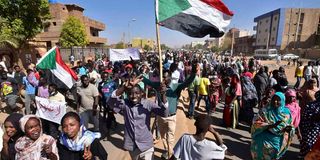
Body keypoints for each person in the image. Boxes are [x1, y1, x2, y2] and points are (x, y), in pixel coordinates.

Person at [108, 76, 168, 160]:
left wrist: (163, 95)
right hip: (132, 146)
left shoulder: (147, 104)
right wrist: (124, 87)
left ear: (142, 94)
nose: (133, 96)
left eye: (136, 93)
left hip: (146, 145)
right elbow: (110, 102)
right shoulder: (125, 104)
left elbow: (164, 113)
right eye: (131, 94)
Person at [251, 92, 294, 160]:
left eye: (278, 100)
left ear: (283, 101)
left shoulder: (287, 113)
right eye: (274, 99)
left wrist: (289, 129)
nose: (275, 101)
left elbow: (291, 125)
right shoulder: (265, 111)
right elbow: (255, 123)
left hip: (277, 142)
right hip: (262, 141)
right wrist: (270, 125)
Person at [299, 91, 320, 158]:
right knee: (308, 145)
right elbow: (305, 116)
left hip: (315, 129)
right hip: (310, 128)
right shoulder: (311, 105)